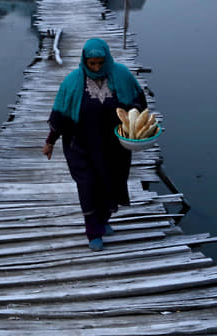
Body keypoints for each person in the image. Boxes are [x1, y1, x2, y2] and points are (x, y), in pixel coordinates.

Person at [43, 38, 147, 251]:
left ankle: (103, 220)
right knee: (89, 186)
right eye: (92, 64)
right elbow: (61, 115)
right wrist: (50, 142)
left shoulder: (122, 76)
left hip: (115, 146)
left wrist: (135, 118)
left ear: (107, 59)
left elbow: (139, 102)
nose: (97, 68)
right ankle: (93, 232)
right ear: (85, 61)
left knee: (111, 183)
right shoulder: (72, 83)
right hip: (81, 146)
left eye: (101, 63)